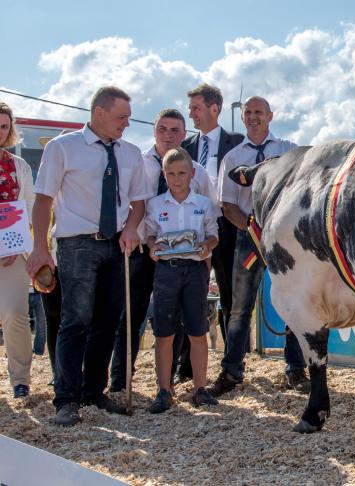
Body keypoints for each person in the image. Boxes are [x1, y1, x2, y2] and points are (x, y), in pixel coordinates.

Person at [27, 86, 150, 426]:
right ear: (98, 113)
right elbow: (42, 200)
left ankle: (93, 391)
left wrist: (131, 228)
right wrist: (40, 248)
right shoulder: (62, 147)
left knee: (108, 322)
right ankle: (66, 398)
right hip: (76, 243)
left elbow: (138, 200)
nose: (127, 123)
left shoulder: (130, 153)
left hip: (117, 244)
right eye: (121, 117)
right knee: (75, 319)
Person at [208, 96, 310, 397]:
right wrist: (253, 228)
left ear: (270, 116)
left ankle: (296, 368)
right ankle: (232, 370)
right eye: (248, 113)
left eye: (259, 112)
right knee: (240, 307)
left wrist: (275, 228)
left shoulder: (289, 151)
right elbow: (227, 204)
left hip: (285, 238)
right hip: (248, 238)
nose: (253, 117)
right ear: (242, 118)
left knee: (294, 303)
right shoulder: (232, 156)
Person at [108, 109, 215, 392]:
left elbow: (208, 212)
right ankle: (121, 378)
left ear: (184, 134)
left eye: (175, 130)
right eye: (163, 129)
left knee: (182, 319)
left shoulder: (199, 172)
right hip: (144, 249)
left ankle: (179, 376)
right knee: (132, 314)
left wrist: (206, 253)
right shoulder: (137, 164)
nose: (168, 135)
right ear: (154, 131)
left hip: (188, 258)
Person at [144, 148, 219, 412]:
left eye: (182, 173)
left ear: (192, 174)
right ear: (164, 175)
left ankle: (200, 388)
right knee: (164, 332)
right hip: (166, 272)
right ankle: (164, 389)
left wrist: (206, 246)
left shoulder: (203, 204)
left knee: (197, 330)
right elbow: (150, 235)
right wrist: (152, 246)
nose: (177, 179)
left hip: (195, 271)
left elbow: (213, 235)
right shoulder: (155, 205)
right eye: (171, 173)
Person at [178, 84, 244, 384]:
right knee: (190, 295)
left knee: (231, 297)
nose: (191, 113)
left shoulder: (238, 144)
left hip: (228, 226)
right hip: (192, 230)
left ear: (214, 108)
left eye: (196, 107)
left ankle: (232, 364)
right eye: (190, 108)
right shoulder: (185, 149)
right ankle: (187, 365)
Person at [0, 102, 36, 398]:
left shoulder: (19, 166)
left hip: (12, 253)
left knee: (15, 314)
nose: (0, 132)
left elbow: (28, 208)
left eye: (4, 126)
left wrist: (16, 245)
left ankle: (20, 379)